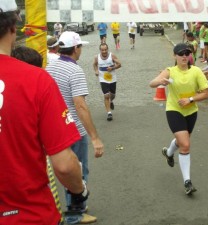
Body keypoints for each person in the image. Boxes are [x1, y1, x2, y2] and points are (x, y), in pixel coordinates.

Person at [0, 1, 89, 224]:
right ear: (14, 24)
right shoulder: (35, 79)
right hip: (28, 214)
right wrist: (79, 191)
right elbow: (65, 165)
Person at [46, 31, 104, 224]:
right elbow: (80, 105)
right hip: (74, 129)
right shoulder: (75, 71)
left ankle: (75, 207)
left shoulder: (51, 66)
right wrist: (94, 137)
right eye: (80, 47)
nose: (81, 50)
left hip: (56, 127)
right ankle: (75, 212)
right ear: (75, 48)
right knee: (78, 171)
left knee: (66, 169)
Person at [149, 43, 208, 195]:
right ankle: (187, 182)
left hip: (191, 111)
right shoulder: (170, 71)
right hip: (174, 110)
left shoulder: (196, 71)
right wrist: (160, 82)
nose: (184, 56)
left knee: (183, 141)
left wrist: (190, 99)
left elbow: (205, 93)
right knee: (186, 145)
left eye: (187, 53)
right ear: (174, 56)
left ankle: (169, 153)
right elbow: (152, 83)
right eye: (181, 53)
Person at [93, 43, 122, 121]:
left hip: (112, 79)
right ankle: (109, 113)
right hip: (103, 79)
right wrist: (96, 71)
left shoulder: (112, 56)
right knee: (106, 95)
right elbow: (95, 65)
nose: (104, 51)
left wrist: (112, 68)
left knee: (112, 95)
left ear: (107, 49)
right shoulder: (97, 57)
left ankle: (111, 101)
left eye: (105, 49)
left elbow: (119, 64)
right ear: (100, 50)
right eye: (102, 50)